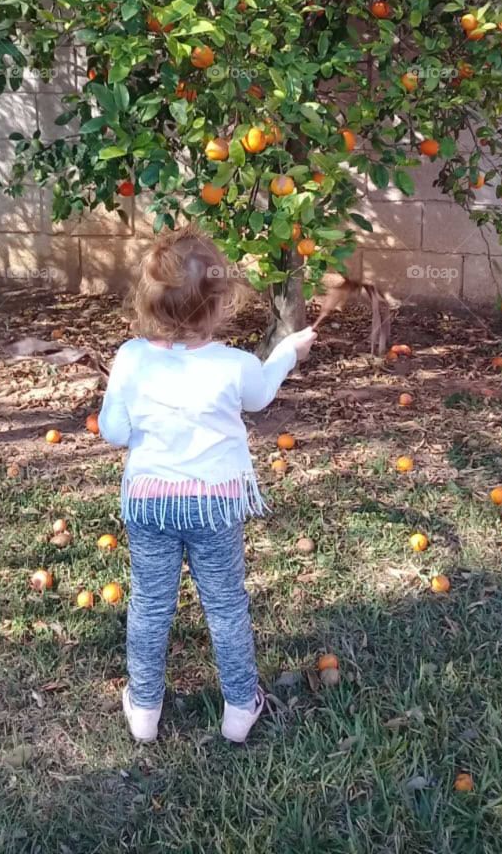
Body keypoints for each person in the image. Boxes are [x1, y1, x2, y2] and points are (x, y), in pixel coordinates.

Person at [98, 227, 315, 745]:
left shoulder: (131, 357)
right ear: (219, 305)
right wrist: (286, 351)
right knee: (225, 605)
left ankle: (144, 708)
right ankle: (240, 705)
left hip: (149, 503)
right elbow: (261, 397)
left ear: (148, 302)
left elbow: (114, 432)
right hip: (215, 505)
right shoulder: (234, 365)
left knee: (151, 604)